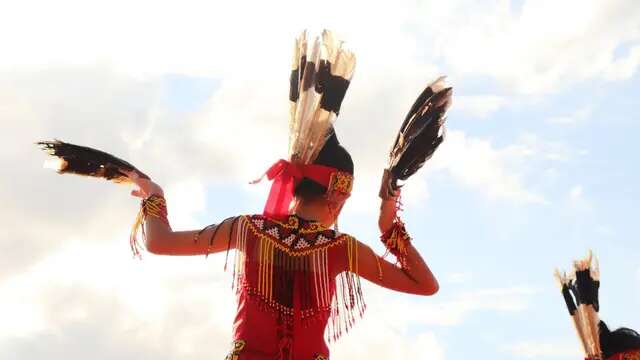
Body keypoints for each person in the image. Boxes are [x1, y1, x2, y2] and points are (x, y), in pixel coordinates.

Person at [126, 128, 439, 359]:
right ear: (337, 195)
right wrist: (388, 228)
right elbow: (425, 285)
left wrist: (155, 197)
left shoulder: (249, 229)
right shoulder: (340, 248)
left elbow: (159, 241)